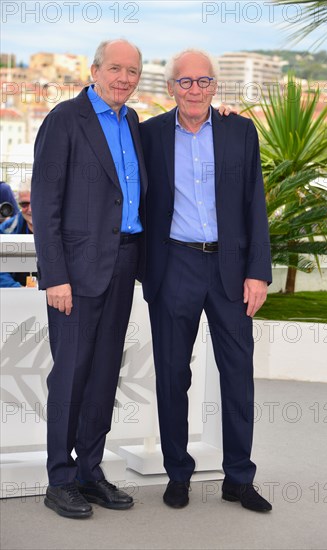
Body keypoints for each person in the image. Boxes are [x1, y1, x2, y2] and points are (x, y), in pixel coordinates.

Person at [140, 49, 272, 512]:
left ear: (216, 86)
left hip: (231, 271)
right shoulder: (149, 134)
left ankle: (238, 477)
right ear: (170, 87)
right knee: (173, 376)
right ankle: (178, 471)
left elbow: (255, 202)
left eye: (204, 82)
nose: (195, 90)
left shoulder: (239, 130)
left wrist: (259, 271)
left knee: (237, 374)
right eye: (185, 82)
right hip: (173, 266)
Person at [31, 39, 147, 519]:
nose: (124, 78)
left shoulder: (134, 121)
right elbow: (44, 201)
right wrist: (54, 275)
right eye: (115, 69)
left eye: (133, 71)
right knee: (71, 375)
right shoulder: (65, 119)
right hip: (75, 276)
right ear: (95, 70)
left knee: (103, 376)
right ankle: (59, 479)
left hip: (124, 265)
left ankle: (90, 472)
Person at [0, 179, 35, 288]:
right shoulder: (6, 229)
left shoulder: (62, 229)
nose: (30, 209)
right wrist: (17, 289)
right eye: (24, 204)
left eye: (35, 202)